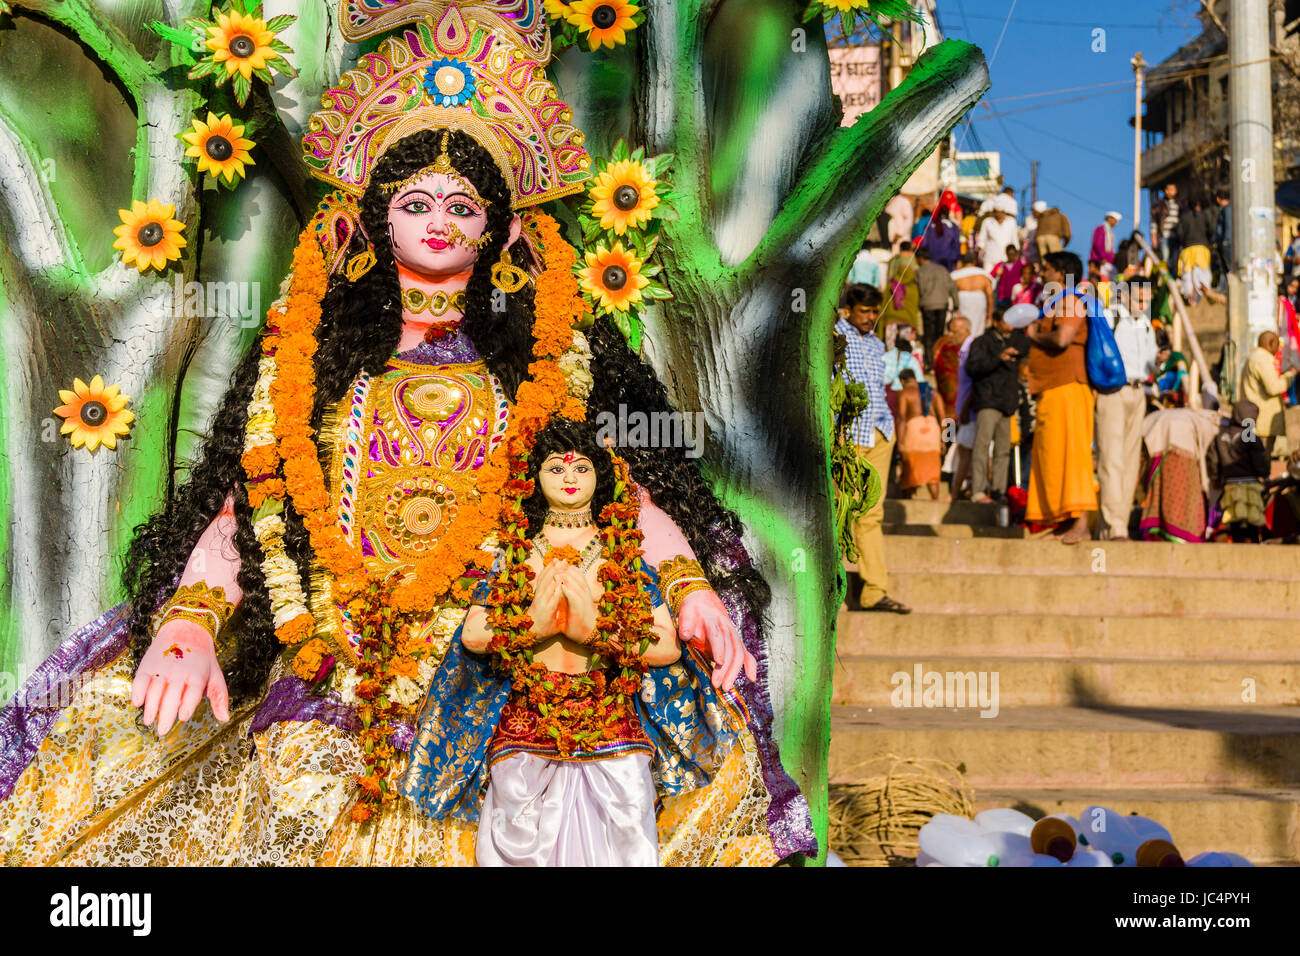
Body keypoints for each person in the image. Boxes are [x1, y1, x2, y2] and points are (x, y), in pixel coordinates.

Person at [0, 13, 808, 865]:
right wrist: (194, 623)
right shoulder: (316, 367)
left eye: (464, 206)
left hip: (496, 663)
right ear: (372, 220)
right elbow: (256, 503)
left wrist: (688, 588)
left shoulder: (544, 369)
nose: (440, 222)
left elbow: (617, 496)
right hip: (334, 670)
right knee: (252, 780)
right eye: (415, 203)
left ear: (501, 231)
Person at [410, 419, 768, 866]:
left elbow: (666, 646)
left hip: (610, 726)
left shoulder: (621, 553)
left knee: (623, 841)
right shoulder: (515, 553)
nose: (569, 479)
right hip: (526, 726)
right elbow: (474, 633)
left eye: (581, 468)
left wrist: (593, 630)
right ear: (534, 477)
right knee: (516, 844)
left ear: (600, 476)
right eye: (556, 469)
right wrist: (536, 625)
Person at [836, 285, 911, 614]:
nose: (870, 317)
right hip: (847, 434)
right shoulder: (834, 335)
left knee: (872, 513)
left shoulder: (879, 343)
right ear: (848, 310)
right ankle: (831, 595)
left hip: (880, 432)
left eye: (874, 311)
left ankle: (874, 591)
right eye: (864, 311)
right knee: (839, 511)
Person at [1023, 251, 1097, 543]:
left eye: (1047, 270)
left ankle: (1081, 524)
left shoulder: (1070, 301)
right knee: (1052, 456)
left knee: (1072, 456)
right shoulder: (1056, 302)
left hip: (1068, 388)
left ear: (1061, 274)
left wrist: (1032, 335)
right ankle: (1064, 522)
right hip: (1053, 390)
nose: (1041, 274)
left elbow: (1063, 338)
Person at [1096, 277, 1158, 539]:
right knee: (1112, 459)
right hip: (1113, 391)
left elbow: (1150, 364)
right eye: (1139, 297)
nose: (1143, 303)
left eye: (1147, 298)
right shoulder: (1110, 318)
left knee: (1131, 461)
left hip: (1138, 392)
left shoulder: (1145, 325)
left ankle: (1110, 525)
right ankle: (1115, 526)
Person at [964, 306, 1023, 503]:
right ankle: (979, 491)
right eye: (1006, 321)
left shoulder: (1013, 341)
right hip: (987, 402)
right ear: (996, 322)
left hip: (1006, 404)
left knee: (1003, 451)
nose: (1010, 326)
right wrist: (997, 359)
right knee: (982, 446)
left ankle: (998, 491)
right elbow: (972, 367)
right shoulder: (981, 342)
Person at [1207, 400, 1271, 542]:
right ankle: (1252, 541)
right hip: (1251, 485)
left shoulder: (1221, 437)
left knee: (1233, 515)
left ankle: (1236, 540)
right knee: (1253, 517)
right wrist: (1265, 475)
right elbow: (1259, 459)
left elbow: (1213, 459)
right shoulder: (1251, 437)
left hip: (1230, 484)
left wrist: (1215, 476)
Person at [1237, 331, 1299, 473]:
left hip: (1255, 418)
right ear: (1271, 344)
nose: (1278, 350)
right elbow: (1273, 387)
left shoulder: (1254, 357)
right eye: (1277, 345)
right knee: (1262, 460)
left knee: (1257, 459)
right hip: (1263, 421)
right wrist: (1291, 375)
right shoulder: (1262, 359)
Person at [895, 369, 946, 500]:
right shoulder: (932, 391)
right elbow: (945, 418)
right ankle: (936, 501)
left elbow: (900, 418)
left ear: (902, 380)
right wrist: (945, 440)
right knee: (933, 470)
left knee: (909, 469)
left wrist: (900, 442)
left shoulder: (905, 393)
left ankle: (906, 502)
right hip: (932, 431)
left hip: (913, 432)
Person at [916, 247, 960, 357]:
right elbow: (952, 287)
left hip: (927, 306)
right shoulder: (942, 269)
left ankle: (929, 361)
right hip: (942, 305)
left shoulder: (919, 271)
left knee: (928, 335)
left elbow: (920, 289)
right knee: (939, 334)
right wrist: (956, 304)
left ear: (920, 258)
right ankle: (939, 358)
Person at [879, 241, 921, 344]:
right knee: (906, 343)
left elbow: (889, 276)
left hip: (892, 316)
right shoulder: (915, 260)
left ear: (900, 248)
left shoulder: (895, 260)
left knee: (890, 344)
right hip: (908, 319)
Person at [932, 314, 971, 420]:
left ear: (967, 332)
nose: (950, 334)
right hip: (948, 405)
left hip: (967, 408)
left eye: (955, 332)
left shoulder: (974, 349)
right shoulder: (943, 345)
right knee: (949, 435)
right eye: (950, 330)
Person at [951, 251, 994, 338]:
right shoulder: (984, 274)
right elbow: (990, 294)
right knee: (978, 328)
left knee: (963, 326)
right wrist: (990, 312)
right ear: (975, 261)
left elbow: (950, 294)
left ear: (962, 262)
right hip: (979, 300)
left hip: (962, 300)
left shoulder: (955, 275)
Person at [977, 204, 1020, 275]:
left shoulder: (1011, 222)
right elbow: (981, 240)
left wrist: (1016, 257)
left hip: (1006, 259)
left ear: (1004, 212)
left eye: (1000, 212)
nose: (998, 215)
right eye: (997, 212)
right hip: (990, 258)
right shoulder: (987, 222)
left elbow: (1015, 241)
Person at [1152, 182, 1181, 268]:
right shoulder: (1160, 204)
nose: (1169, 192)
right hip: (1164, 235)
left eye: (1172, 190)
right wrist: (1154, 237)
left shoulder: (1179, 204)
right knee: (1165, 258)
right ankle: (1165, 278)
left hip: (1176, 236)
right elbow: (1154, 222)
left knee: (1175, 258)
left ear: (1176, 191)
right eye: (1168, 190)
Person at [1090, 211, 1122, 279]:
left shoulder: (1110, 232)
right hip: (1099, 262)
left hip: (1107, 262)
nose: (1116, 223)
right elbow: (1097, 244)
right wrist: (1102, 258)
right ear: (1109, 218)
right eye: (1115, 220)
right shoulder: (1101, 229)